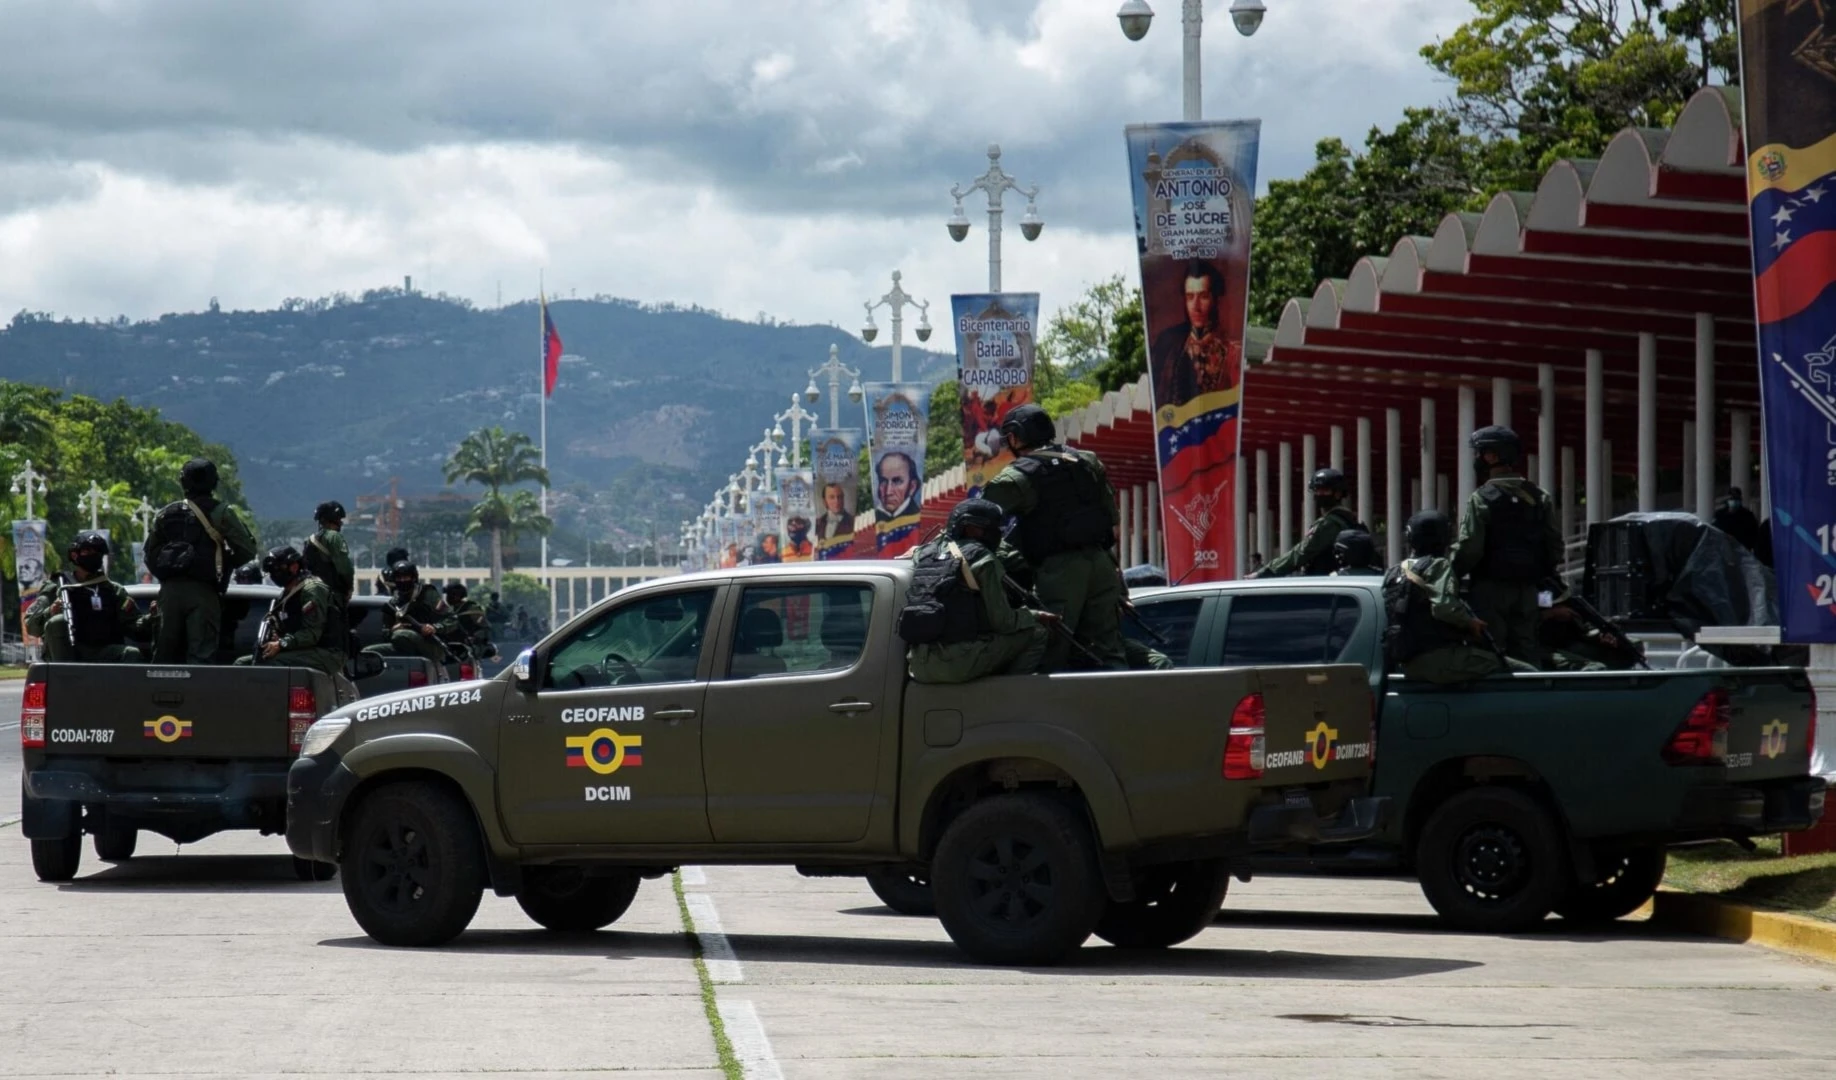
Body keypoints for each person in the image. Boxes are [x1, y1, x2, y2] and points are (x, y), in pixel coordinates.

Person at [982, 404, 1128, 671]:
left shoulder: (1016, 477)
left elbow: (975, 521)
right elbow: (1113, 523)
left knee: (1052, 650)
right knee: (1109, 651)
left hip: (1060, 573)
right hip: (1103, 565)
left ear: (1014, 437)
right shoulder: (1087, 461)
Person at [902, 498, 1056, 683]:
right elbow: (1004, 622)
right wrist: (1034, 615)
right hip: (956, 665)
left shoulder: (923, 553)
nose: (997, 533)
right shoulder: (983, 559)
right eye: (992, 528)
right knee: (1037, 633)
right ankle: (1008, 695)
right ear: (971, 528)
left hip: (918, 665)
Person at [1450, 426, 1562, 669]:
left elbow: (1470, 548)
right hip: (1529, 590)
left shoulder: (1481, 498)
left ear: (1492, 456)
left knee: (1494, 653)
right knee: (1527, 648)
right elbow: (1554, 545)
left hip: (1490, 589)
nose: (1477, 459)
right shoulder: (1539, 496)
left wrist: (1451, 575)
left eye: (1480, 453)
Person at [1383, 511, 1532, 684]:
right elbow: (1443, 607)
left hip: (1409, 664)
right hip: (1440, 660)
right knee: (1526, 672)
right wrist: (1470, 622)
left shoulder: (1393, 572)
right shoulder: (1438, 565)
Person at [146, 457, 259, 664]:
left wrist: (169, 575)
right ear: (213, 483)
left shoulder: (165, 513)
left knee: (162, 657)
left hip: (168, 594)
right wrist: (223, 563)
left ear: (183, 482)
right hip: (203, 593)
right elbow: (247, 550)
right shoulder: (221, 512)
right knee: (201, 658)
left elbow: (150, 555)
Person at [24, 531, 142, 663]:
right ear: (74, 555)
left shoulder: (112, 590)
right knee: (57, 621)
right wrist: (51, 611)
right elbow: (31, 626)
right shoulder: (56, 587)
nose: (94, 555)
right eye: (88, 551)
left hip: (104, 653)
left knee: (131, 653)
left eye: (98, 552)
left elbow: (137, 627)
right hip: (69, 654)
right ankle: (66, 677)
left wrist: (154, 617)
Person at [235, 546, 345, 682]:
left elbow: (311, 634)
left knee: (267, 664)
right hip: (304, 649)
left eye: (277, 569)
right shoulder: (287, 594)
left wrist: (281, 644)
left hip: (326, 652)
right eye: (271, 572)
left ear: (294, 566)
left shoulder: (312, 589)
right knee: (242, 664)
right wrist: (276, 636)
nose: (274, 574)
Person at [1150, 259, 1236, 409]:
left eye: (1203, 296)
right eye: (1190, 297)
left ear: (1215, 300)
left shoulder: (1232, 353)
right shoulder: (1169, 346)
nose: (1195, 307)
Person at [1254, 469, 1368, 578]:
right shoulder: (1349, 519)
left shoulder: (1328, 523)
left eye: (1325, 490)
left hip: (1326, 584)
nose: (1319, 494)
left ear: (1338, 494)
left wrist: (1266, 572)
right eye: (1317, 490)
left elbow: (1301, 553)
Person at [363, 560, 456, 666]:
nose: (402, 581)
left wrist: (435, 628)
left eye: (406, 577)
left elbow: (452, 619)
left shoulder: (427, 594)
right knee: (368, 653)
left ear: (413, 578)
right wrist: (393, 629)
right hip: (402, 645)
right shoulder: (393, 603)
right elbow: (385, 632)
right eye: (399, 578)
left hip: (430, 646)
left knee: (403, 634)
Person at [441, 581, 493, 658]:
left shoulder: (471, 608)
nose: (447, 598)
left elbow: (485, 628)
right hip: (451, 647)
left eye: (449, 595)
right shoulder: (450, 610)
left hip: (469, 648)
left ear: (457, 596)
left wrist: (474, 638)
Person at [1712, 487, 1762, 554]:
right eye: (1732, 499)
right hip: (1724, 550)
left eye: (1736, 499)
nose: (1734, 501)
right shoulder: (1720, 515)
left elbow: (1753, 535)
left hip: (1741, 550)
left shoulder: (1748, 516)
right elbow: (1715, 531)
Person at [875, 451, 922, 521]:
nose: (888, 492)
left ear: (912, 487)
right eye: (883, 481)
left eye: (897, 481)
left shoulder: (917, 518)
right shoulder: (875, 517)